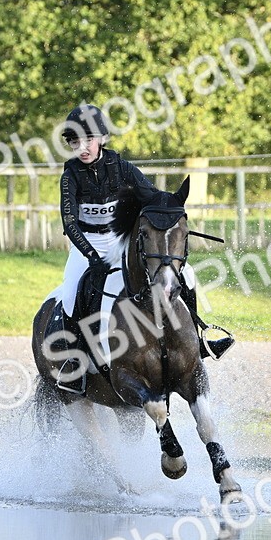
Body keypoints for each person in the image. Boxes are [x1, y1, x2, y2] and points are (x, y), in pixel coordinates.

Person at [54, 104, 234, 394]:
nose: (82, 148)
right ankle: (73, 363)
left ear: (102, 139)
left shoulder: (122, 168)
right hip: (86, 243)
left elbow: (153, 197)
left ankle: (200, 339)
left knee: (186, 274)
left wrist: (171, 211)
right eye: (75, 142)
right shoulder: (70, 176)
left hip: (120, 241)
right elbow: (70, 223)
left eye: (88, 140)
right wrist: (91, 256)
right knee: (71, 294)